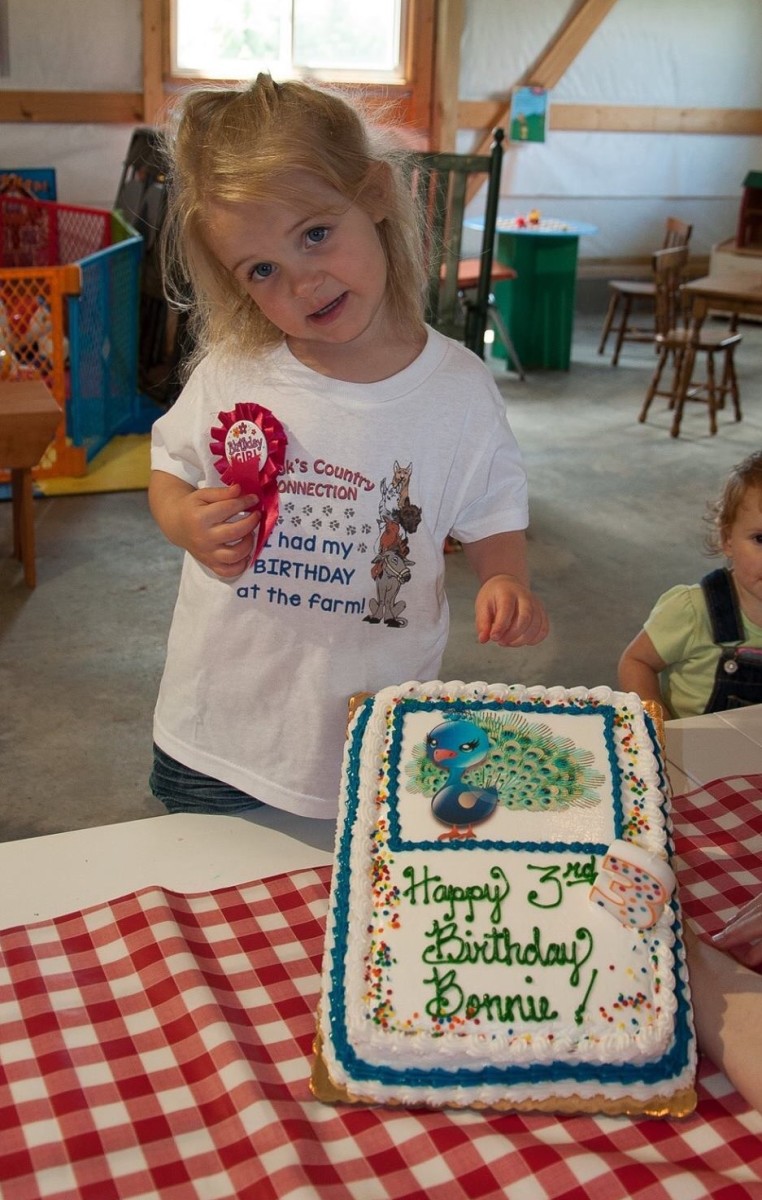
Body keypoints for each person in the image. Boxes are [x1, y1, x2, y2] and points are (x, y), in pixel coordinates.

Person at [147, 75, 548, 819]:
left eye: (315, 234)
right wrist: (181, 519)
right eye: (262, 270)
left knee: (357, 886)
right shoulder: (234, 371)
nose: (303, 283)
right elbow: (168, 463)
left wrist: (506, 580)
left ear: (374, 195)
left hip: (373, 728)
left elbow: (494, 508)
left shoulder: (458, 389)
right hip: (215, 731)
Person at [618, 450, 762, 717]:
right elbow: (636, 662)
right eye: (760, 539)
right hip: (692, 740)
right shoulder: (694, 610)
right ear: (727, 539)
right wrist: (658, 724)